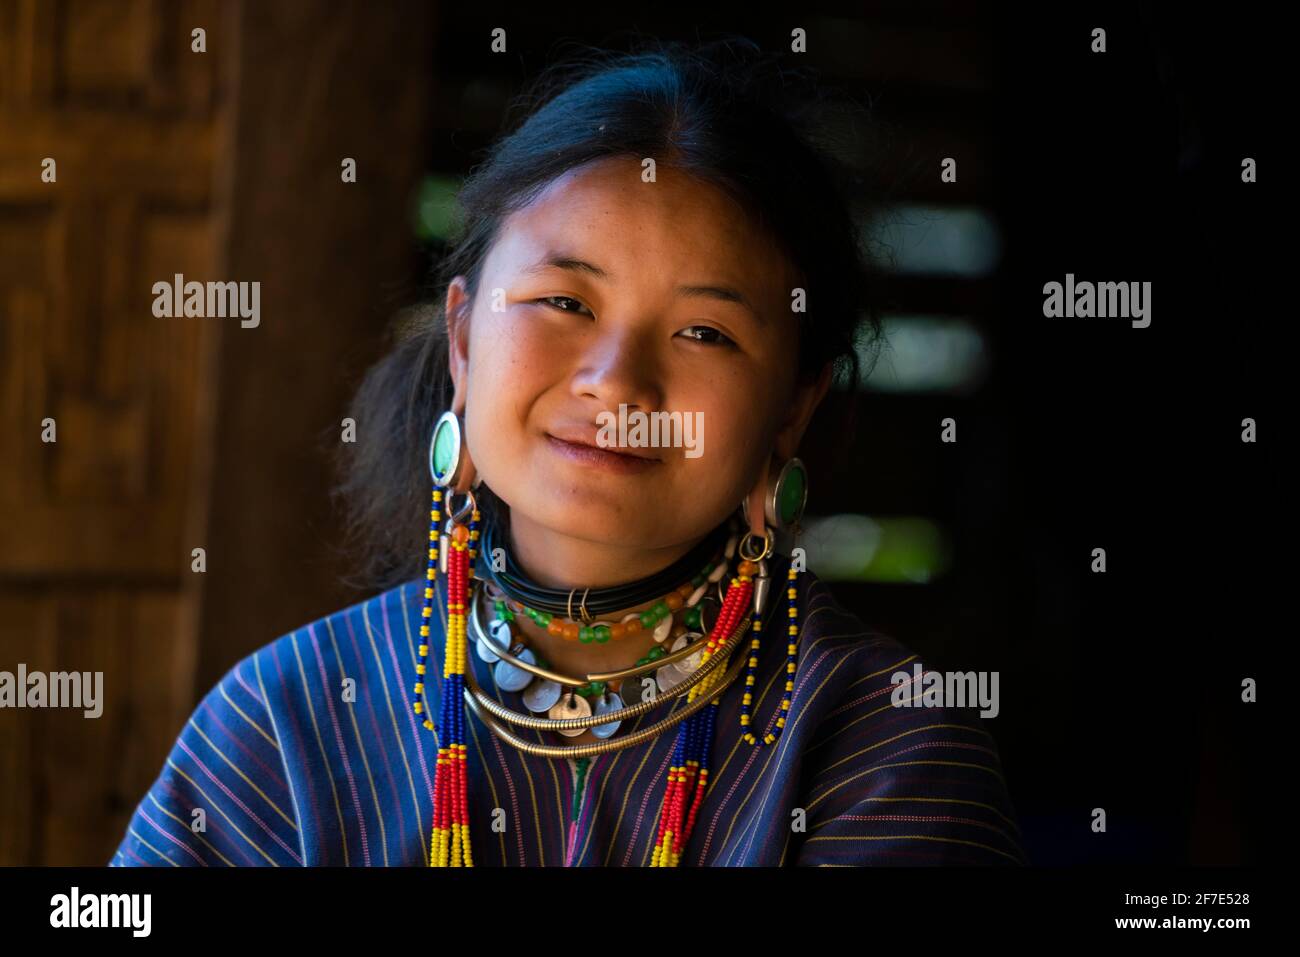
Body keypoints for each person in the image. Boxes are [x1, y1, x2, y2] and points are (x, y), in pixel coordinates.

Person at [110, 38, 1025, 867]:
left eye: (704, 331)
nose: (617, 383)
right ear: (464, 341)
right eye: (565, 302)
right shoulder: (287, 720)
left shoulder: (880, 746)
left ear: (793, 408)